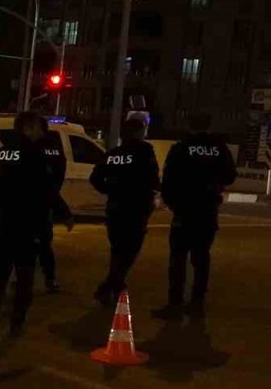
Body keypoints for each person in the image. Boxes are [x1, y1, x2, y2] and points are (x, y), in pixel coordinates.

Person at [0, 111, 54, 337]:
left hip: (1, 227)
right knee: (24, 280)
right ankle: (16, 324)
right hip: (26, 229)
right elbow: (43, 195)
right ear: (28, 128)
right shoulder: (35, 155)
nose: (41, 132)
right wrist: (43, 229)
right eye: (38, 128)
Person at [156, 111, 236, 319]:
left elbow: (168, 179)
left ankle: (175, 303)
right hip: (207, 211)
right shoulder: (219, 148)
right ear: (209, 124)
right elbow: (230, 176)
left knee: (178, 259)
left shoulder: (181, 147)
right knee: (201, 258)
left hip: (184, 211)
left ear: (189, 125)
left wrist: (172, 203)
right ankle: (197, 302)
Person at [90, 117, 159, 307]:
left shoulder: (113, 154)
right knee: (130, 251)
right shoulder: (145, 151)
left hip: (115, 208)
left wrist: (110, 190)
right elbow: (152, 179)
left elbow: (95, 178)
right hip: (136, 209)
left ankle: (115, 285)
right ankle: (109, 286)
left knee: (118, 249)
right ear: (139, 132)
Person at [36, 118, 74, 293]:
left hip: (30, 209)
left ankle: (45, 279)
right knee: (43, 246)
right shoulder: (53, 150)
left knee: (38, 246)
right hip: (41, 209)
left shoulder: (32, 150)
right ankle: (48, 279)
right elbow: (52, 186)